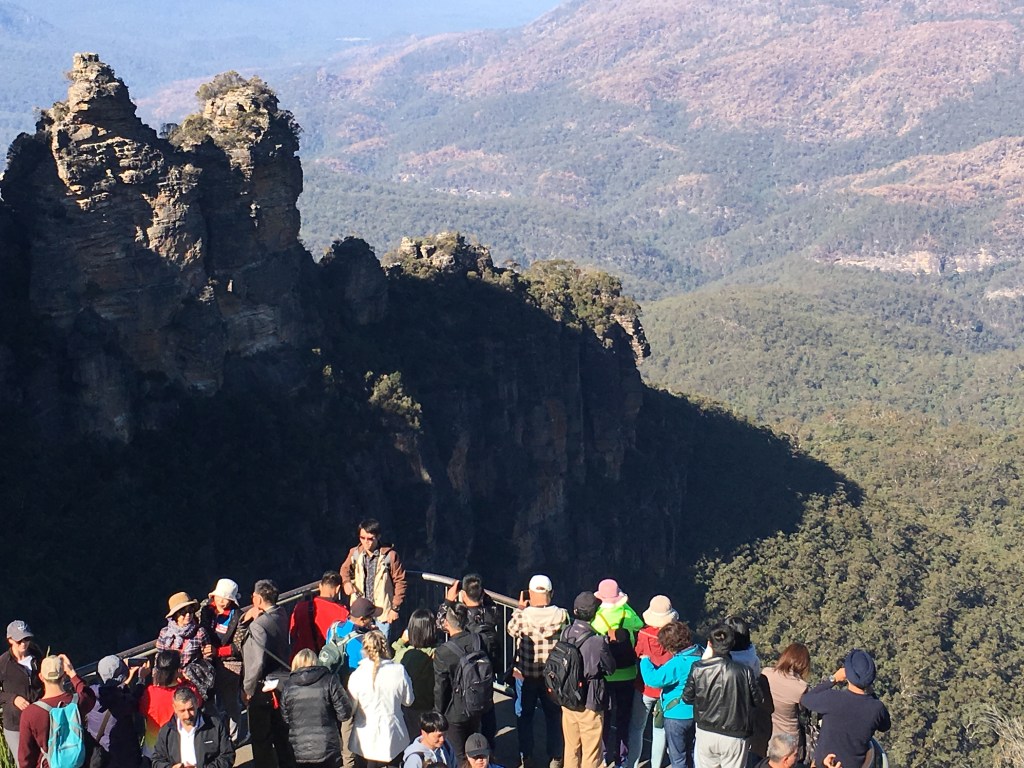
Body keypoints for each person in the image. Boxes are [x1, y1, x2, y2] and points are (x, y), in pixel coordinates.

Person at [507, 575, 568, 768]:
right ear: (551, 593)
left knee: (525, 716)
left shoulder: (523, 617)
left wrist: (520, 608)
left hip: (527, 675)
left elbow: (510, 629)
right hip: (552, 677)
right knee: (554, 716)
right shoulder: (562, 615)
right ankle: (556, 756)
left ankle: (526, 756)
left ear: (530, 594)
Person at [681, 624, 762, 768]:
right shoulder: (745, 671)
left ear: (709, 643)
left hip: (706, 730)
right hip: (735, 733)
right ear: (732, 644)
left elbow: (687, 697)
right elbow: (757, 700)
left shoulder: (699, 668)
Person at [435, 574, 501, 745]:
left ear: (463, 595)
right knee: (486, 708)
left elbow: (441, 623)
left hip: (465, 677)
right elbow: (490, 604)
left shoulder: (463, 617)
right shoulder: (492, 612)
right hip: (485, 671)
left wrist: (448, 602)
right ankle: (489, 746)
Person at [800, 650, 890, 768]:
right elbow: (885, 726)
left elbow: (806, 699)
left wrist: (833, 679)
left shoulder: (833, 698)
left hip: (824, 764)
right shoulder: (877, 708)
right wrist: (870, 691)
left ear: (847, 674)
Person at [560, 592, 617, 768]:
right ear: (594, 614)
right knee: (591, 753)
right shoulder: (597, 641)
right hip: (590, 700)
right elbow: (610, 669)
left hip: (568, 697)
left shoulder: (565, 632)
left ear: (575, 611)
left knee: (571, 748)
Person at [591, 580, 643, 768]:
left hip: (605, 675)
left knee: (604, 717)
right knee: (623, 719)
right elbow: (639, 624)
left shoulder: (597, 618)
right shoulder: (627, 613)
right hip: (627, 673)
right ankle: (622, 758)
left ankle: (603, 755)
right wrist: (624, 606)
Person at [241, 579, 293, 768]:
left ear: (258, 599)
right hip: (283, 682)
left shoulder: (258, 626)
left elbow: (257, 662)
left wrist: (248, 689)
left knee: (261, 739)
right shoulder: (282, 613)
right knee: (282, 734)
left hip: (264, 687)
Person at [325, 597, 381, 768]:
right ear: (363, 620)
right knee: (348, 723)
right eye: (371, 618)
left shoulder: (333, 628)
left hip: (331, 682)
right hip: (349, 685)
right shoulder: (361, 641)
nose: (373, 620)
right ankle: (349, 762)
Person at [638, 621, 702, 768]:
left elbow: (653, 680)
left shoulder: (679, 663)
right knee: (693, 753)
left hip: (676, 714)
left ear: (671, 646)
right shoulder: (702, 654)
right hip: (698, 712)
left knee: (678, 757)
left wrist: (645, 661)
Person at [432, 604, 491, 765]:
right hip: (477, 703)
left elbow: (441, 688)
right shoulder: (479, 640)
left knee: (458, 755)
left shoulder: (443, 652)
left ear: (446, 623)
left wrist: (438, 713)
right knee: (475, 750)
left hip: (455, 712)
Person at [348, 630, 413, 768]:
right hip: (394, 737)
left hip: (365, 739)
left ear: (364, 649)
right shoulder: (399, 670)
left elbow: (350, 709)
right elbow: (408, 701)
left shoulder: (357, 675)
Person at [18, 654, 96, 768]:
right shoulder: (78, 702)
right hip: (79, 764)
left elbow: (25, 757)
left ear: (41, 677)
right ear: (64, 675)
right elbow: (88, 694)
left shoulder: (30, 713)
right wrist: (72, 672)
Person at [280, 649, 353, 768]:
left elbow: (286, 718)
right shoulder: (329, 680)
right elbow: (345, 713)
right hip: (327, 747)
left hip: (299, 749)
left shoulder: (288, 686)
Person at [626, 596, 677, 768]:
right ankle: (656, 765)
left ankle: (632, 763)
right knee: (659, 729)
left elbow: (637, 653)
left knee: (637, 728)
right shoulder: (675, 636)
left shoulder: (643, 634)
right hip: (666, 690)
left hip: (644, 688)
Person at [341, 518, 407, 638]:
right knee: (358, 642)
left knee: (381, 644)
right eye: (362, 538)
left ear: (378, 537)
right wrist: (346, 582)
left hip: (382, 611)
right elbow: (344, 569)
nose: (366, 542)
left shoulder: (390, 556)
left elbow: (400, 581)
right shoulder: (355, 553)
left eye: (370, 538)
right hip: (361, 612)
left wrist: (395, 608)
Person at [200, 578, 246, 744]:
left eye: (226, 598)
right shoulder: (204, 609)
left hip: (229, 663)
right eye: (219, 596)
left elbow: (238, 646)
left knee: (230, 702)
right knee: (207, 701)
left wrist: (218, 652)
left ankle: (233, 738)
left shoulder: (238, 617)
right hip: (206, 663)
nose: (221, 601)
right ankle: (217, 736)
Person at [151, 686, 235, 768]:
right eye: (182, 711)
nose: (187, 715)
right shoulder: (166, 732)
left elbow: (228, 755)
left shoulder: (215, 725)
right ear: (175, 708)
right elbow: (157, 761)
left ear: (197, 703)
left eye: (190, 709)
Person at [86, 655, 146, 768]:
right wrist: (141, 679)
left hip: (101, 756)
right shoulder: (122, 703)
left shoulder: (90, 694)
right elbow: (133, 700)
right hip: (123, 758)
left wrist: (124, 680)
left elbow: (111, 692)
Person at [140, 650, 200, 755]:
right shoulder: (189, 691)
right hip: (180, 749)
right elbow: (198, 703)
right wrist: (186, 680)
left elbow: (142, 711)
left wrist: (141, 679)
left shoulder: (149, 692)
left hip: (153, 748)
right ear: (177, 670)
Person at [0, 620, 43, 761]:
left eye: (27, 638)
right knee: (24, 762)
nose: (24, 643)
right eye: (19, 640)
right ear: (10, 640)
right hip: (15, 725)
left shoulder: (37, 655)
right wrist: (13, 699)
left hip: (40, 718)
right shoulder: (3, 663)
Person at [392, 609, 438, 739]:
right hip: (429, 707)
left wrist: (401, 641)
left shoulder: (404, 654)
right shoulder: (436, 654)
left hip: (407, 708)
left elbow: (393, 654)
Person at [762, 644, 810, 757]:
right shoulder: (801, 687)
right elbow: (804, 713)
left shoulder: (766, 673)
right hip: (789, 739)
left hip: (765, 733)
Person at [290, 571, 351, 658]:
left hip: (303, 659)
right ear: (338, 589)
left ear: (320, 586)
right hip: (327, 659)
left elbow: (292, 634)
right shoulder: (342, 612)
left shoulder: (299, 608)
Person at [157, 593, 214, 668]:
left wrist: (191, 671)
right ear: (175, 614)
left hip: (191, 675)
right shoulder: (164, 633)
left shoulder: (200, 633)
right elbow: (159, 658)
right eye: (183, 612)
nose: (188, 615)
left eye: (190, 610)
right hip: (170, 675)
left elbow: (208, 659)